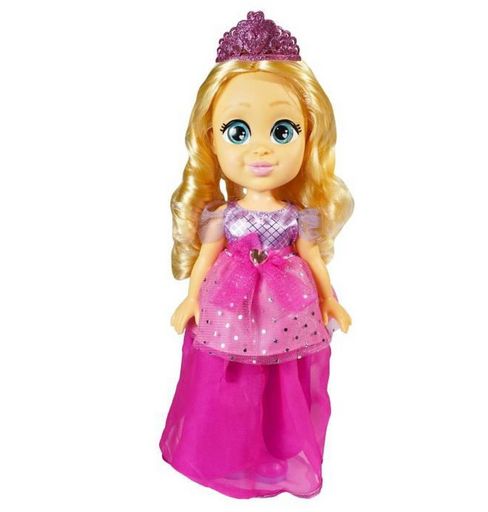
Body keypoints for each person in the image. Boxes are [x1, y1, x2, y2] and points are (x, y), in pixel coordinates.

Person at [160, 10, 354, 499]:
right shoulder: (222, 215)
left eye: (283, 131)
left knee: (282, 373)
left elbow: (313, 257)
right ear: (211, 138)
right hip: (229, 302)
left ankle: (276, 442)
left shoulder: (298, 217)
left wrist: (330, 299)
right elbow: (206, 258)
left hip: (287, 307)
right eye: (238, 132)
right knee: (228, 374)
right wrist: (190, 298)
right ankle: (230, 445)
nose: (261, 151)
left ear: (308, 135)